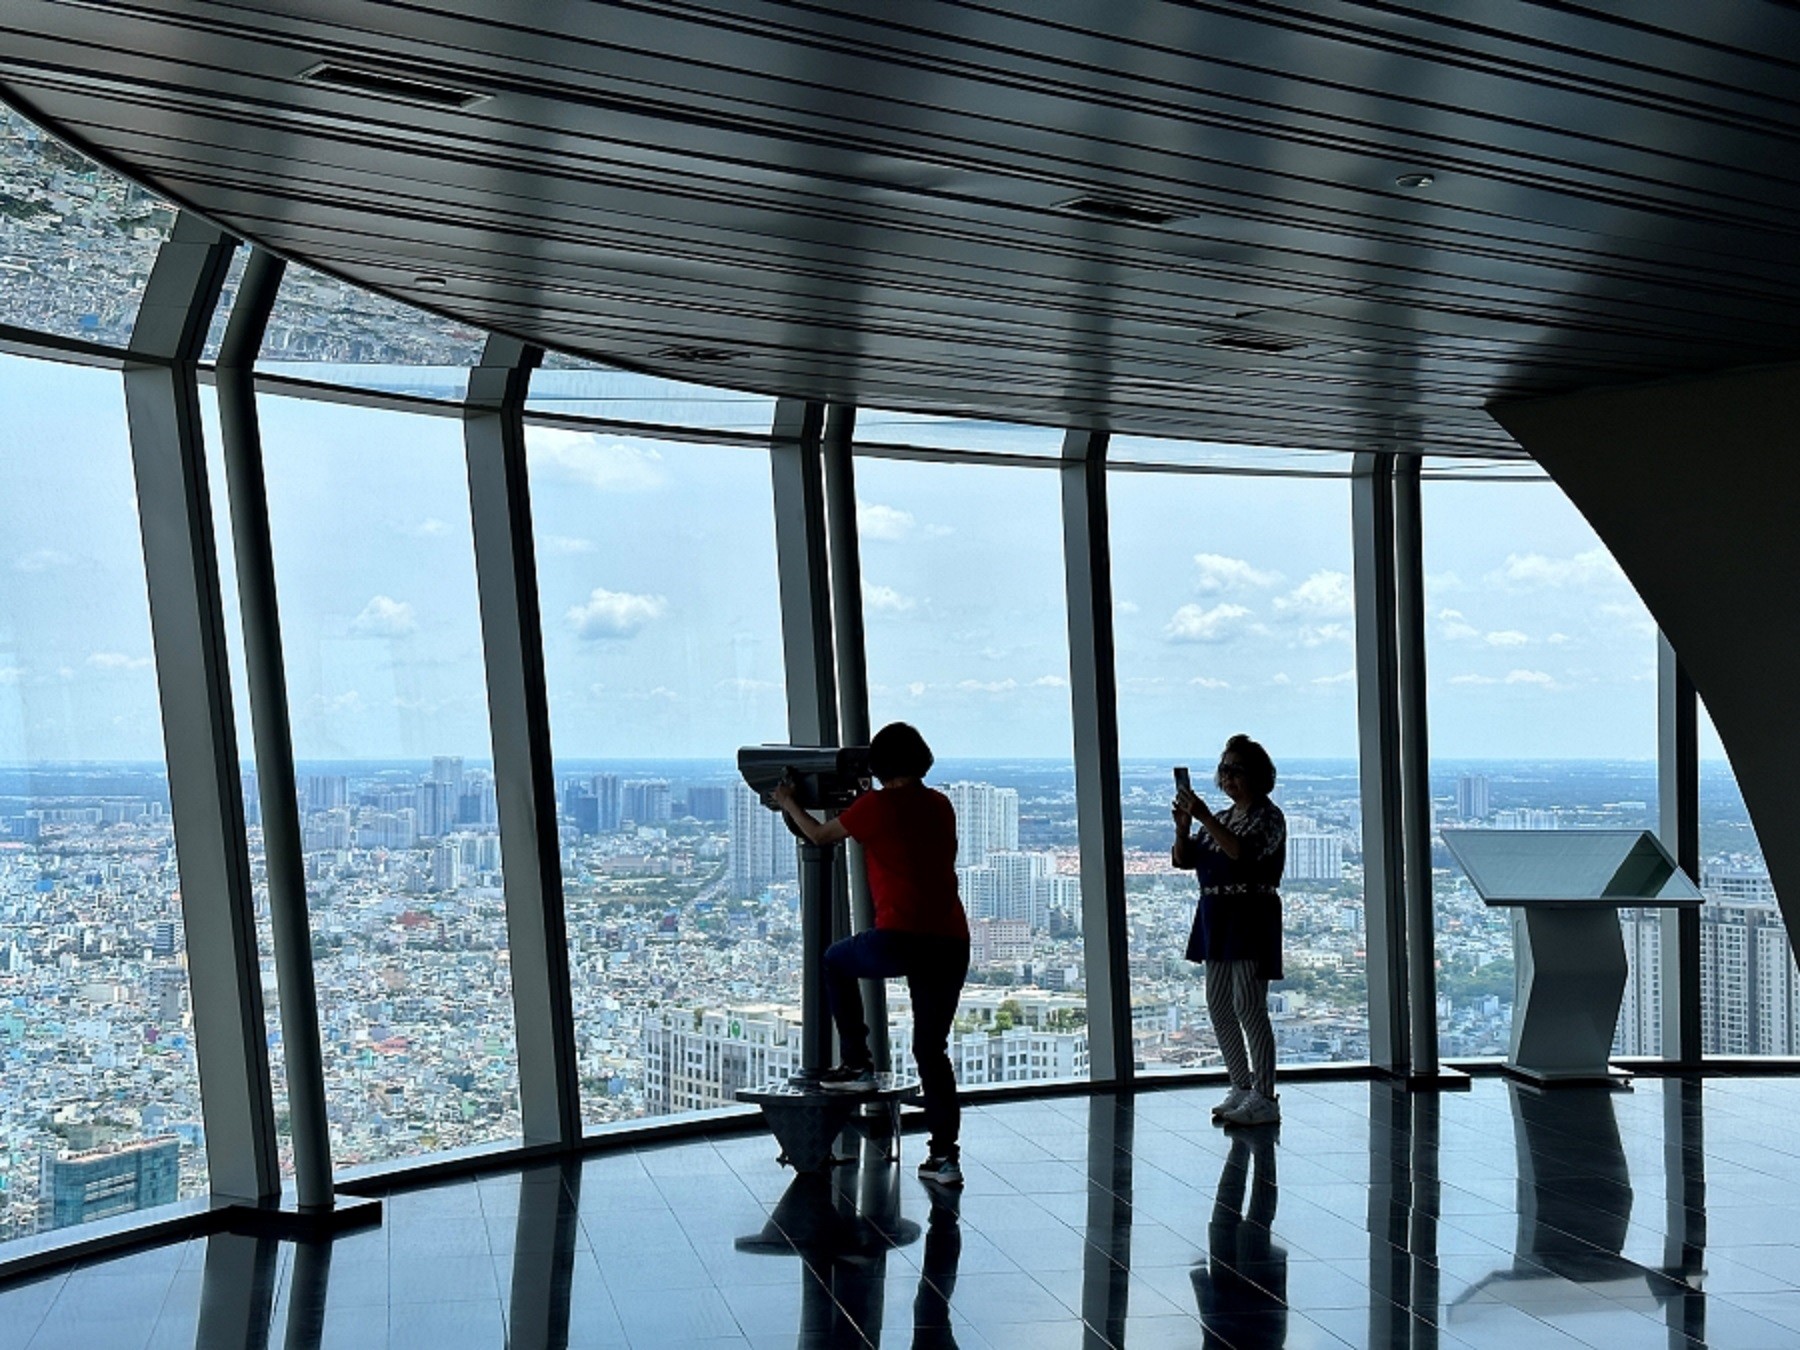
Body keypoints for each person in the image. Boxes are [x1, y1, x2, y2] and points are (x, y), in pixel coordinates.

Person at [773, 721, 971, 1187]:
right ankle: (945, 1157)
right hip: (949, 939)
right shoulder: (940, 804)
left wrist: (788, 802)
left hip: (900, 936)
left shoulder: (874, 807)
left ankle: (858, 1062)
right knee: (932, 1051)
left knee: (835, 960)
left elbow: (820, 836)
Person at [1172, 734, 1286, 1127]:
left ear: (1258, 775)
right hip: (1217, 915)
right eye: (1225, 770)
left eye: (1237, 770)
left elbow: (1241, 852)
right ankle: (1241, 1084)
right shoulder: (1222, 818)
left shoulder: (1268, 817)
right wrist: (1184, 828)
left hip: (1250, 914)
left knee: (1249, 1006)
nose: (1229, 777)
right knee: (1220, 1004)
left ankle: (1265, 1094)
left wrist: (1202, 817)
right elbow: (1184, 861)